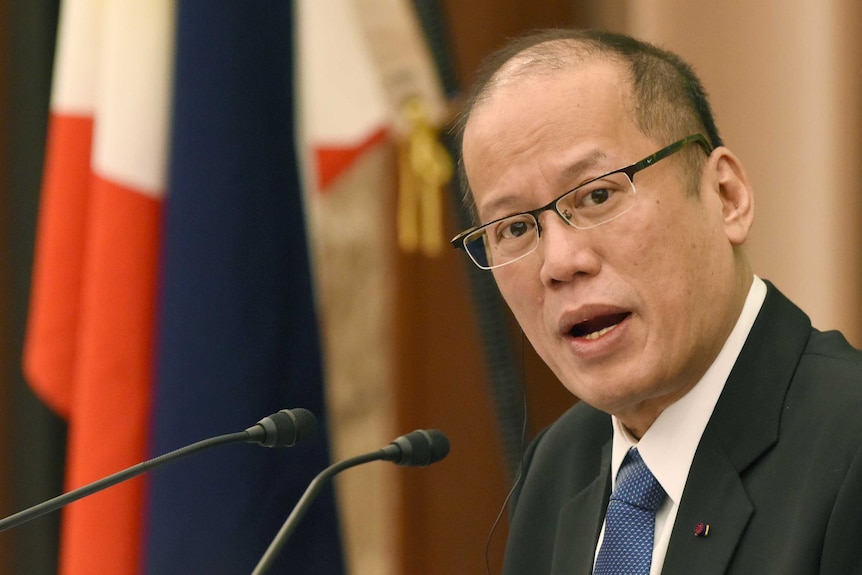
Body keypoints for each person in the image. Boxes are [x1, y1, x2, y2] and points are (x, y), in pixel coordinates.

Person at [450, 29, 862, 574]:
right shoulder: (556, 469)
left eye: (598, 194)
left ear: (726, 196)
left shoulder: (849, 445)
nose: (559, 263)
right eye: (515, 228)